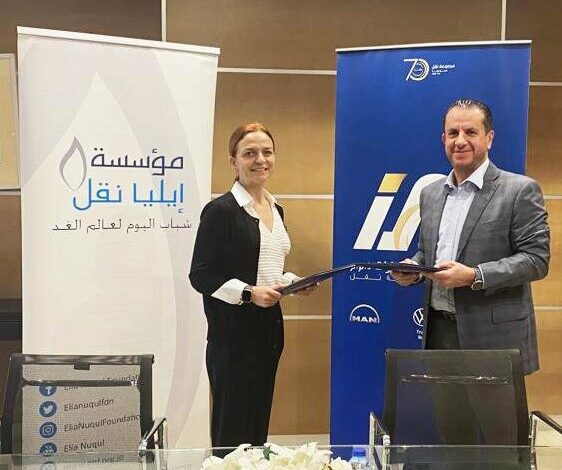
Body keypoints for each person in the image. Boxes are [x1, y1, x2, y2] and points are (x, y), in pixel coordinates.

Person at [391, 98, 550, 376]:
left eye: (471, 132)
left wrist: (474, 276)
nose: (460, 141)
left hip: (494, 338)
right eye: (453, 133)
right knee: (444, 406)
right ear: (443, 139)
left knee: (492, 408)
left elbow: (536, 260)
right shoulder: (430, 193)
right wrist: (414, 270)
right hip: (438, 332)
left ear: (489, 138)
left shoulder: (519, 190)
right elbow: (427, 253)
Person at [189, 122, 314, 448]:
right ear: (233, 162)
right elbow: (200, 274)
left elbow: (268, 269)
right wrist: (248, 293)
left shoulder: (276, 208)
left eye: (267, 152)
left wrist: (291, 282)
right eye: (249, 153)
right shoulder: (220, 211)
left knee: (257, 424)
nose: (260, 159)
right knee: (232, 430)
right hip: (232, 335)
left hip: (269, 331)